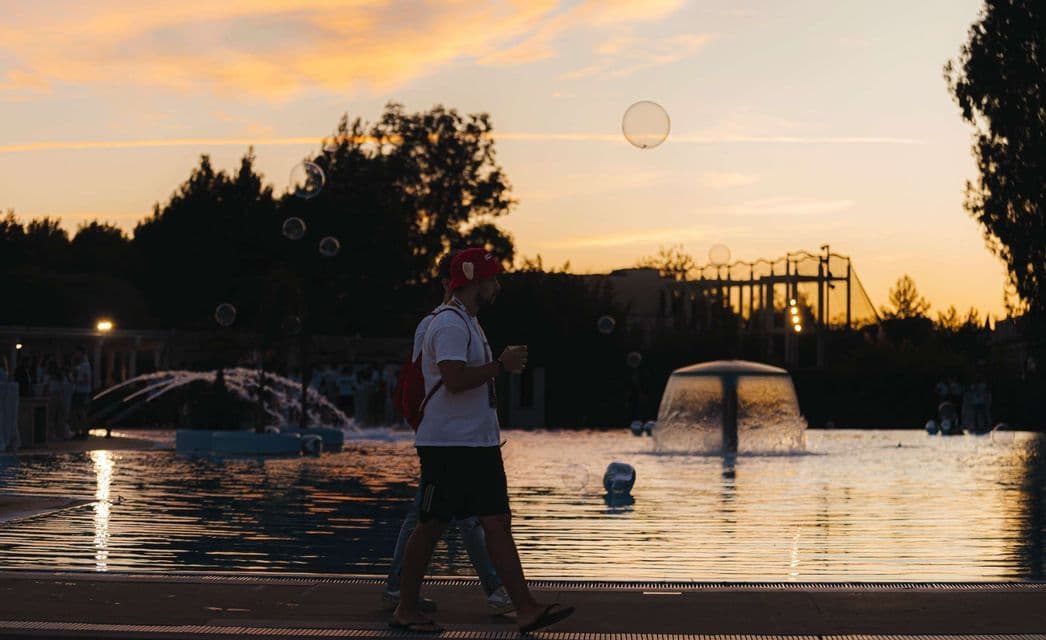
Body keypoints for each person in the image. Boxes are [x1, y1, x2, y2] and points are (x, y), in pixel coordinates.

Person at [390, 248, 574, 634]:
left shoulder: (470, 322)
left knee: (496, 523)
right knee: (430, 526)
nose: (497, 285)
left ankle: (525, 608)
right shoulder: (450, 325)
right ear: (474, 281)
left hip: (475, 445)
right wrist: (500, 366)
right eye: (492, 279)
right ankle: (405, 608)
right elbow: (454, 379)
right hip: (450, 448)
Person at [383, 252, 510, 615]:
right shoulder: (442, 324)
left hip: (459, 438)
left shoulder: (465, 322)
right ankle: (495, 590)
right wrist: (499, 367)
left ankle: (400, 590)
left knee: (436, 518)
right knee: (444, 520)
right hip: (449, 440)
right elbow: (441, 381)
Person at [70, 346, 92, 439]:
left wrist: (75, 381)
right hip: (78, 390)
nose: (75, 355)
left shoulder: (85, 365)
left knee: (80, 411)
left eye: (77, 353)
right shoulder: (80, 365)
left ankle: (83, 431)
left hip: (82, 391)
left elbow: (87, 380)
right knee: (76, 412)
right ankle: (78, 431)